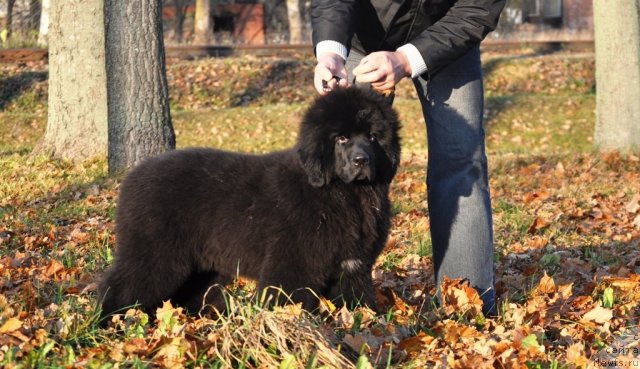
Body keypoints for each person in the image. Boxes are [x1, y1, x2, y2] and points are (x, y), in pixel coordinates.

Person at [311, 0, 506, 315]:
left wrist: (405, 59)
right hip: (362, 38)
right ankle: (340, 298)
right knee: (345, 162)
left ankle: (467, 304)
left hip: (448, 34)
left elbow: (477, 8)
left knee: (460, 159)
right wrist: (331, 54)